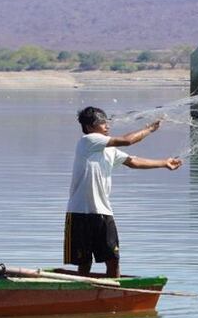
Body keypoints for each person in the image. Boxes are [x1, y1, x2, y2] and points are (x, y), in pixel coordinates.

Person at [65, 106, 183, 278]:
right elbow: (127, 140)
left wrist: (164, 163)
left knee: (113, 259)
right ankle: (81, 295)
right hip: (79, 212)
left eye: (106, 121)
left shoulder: (109, 150)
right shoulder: (88, 141)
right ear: (90, 127)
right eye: (101, 123)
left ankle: (113, 293)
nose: (106, 125)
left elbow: (133, 161)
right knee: (84, 262)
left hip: (103, 212)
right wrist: (149, 129)